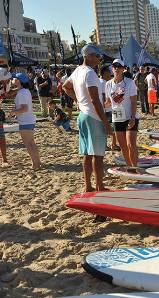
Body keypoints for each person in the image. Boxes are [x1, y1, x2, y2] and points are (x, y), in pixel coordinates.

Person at [63, 44, 112, 192]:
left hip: (82, 116)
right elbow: (95, 100)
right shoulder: (90, 73)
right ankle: (99, 186)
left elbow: (65, 86)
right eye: (97, 56)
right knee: (97, 155)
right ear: (88, 56)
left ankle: (88, 186)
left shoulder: (78, 71)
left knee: (87, 153)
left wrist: (78, 100)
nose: (99, 59)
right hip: (93, 116)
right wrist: (106, 123)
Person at [105, 59, 139, 167]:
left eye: (119, 66)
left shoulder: (130, 82)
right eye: (114, 66)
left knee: (131, 144)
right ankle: (130, 167)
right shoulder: (108, 84)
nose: (116, 68)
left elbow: (134, 101)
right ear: (112, 67)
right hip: (117, 117)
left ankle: (134, 167)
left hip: (130, 116)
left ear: (123, 69)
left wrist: (133, 117)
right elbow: (109, 102)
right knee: (123, 146)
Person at [9, 73, 41, 170]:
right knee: (32, 142)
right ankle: (37, 162)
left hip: (25, 120)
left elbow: (24, 108)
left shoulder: (22, 93)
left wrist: (12, 112)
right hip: (29, 120)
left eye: (14, 78)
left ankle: (35, 164)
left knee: (28, 144)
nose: (12, 79)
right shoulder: (24, 91)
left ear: (19, 81)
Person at [99, 65, 118, 151]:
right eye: (108, 72)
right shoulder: (104, 83)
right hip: (107, 109)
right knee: (113, 127)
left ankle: (108, 145)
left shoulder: (100, 81)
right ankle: (113, 144)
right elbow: (104, 96)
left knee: (105, 128)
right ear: (104, 73)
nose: (110, 74)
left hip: (104, 109)